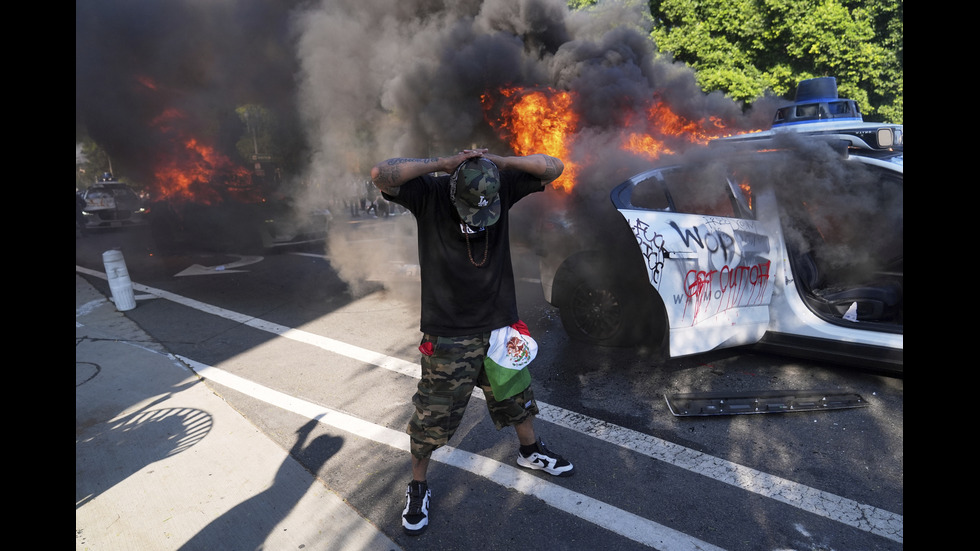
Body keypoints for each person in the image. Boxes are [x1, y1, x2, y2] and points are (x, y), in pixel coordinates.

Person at [370, 148, 574, 536]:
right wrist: (438, 164)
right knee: (432, 415)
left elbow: (556, 167)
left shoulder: (500, 185)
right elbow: (381, 173)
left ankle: (530, 452)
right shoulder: (429, 192)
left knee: (517, 397)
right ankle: (417, 486)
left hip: (499, 327)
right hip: (448, 333)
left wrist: (504, 161)